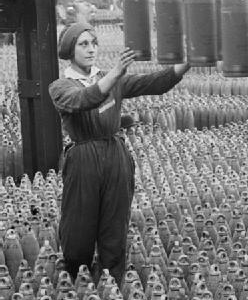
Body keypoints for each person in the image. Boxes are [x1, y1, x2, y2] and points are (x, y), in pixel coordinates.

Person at [48, 22, 190, 285]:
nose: (92, 49)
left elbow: (153, 83)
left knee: (115, 224)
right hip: (83, 159)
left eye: (94, 43)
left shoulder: (110, 78)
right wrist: (113, 74)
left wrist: (187, 63)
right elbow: (84, 100)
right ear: (70, 50)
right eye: (84, 44)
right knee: (78, 227)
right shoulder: (61, 86)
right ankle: (75, 281)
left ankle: (112, 283)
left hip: (115, 155)